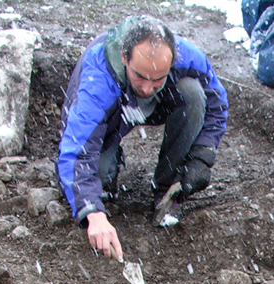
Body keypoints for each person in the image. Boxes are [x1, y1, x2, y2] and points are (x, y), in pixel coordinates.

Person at [56, 14, 228, 259]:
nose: (147, 88)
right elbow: (75, 151)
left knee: (193, 93)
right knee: (94, 181)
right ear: (125, 56)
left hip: (160, 104)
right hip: (112, 110)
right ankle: (110, 154)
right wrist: (92, 213)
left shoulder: (186, 56)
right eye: (140, 76)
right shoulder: (97, 78)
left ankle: (168, 188)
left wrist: (202, 155)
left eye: (157, 78)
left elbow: (216, 105)